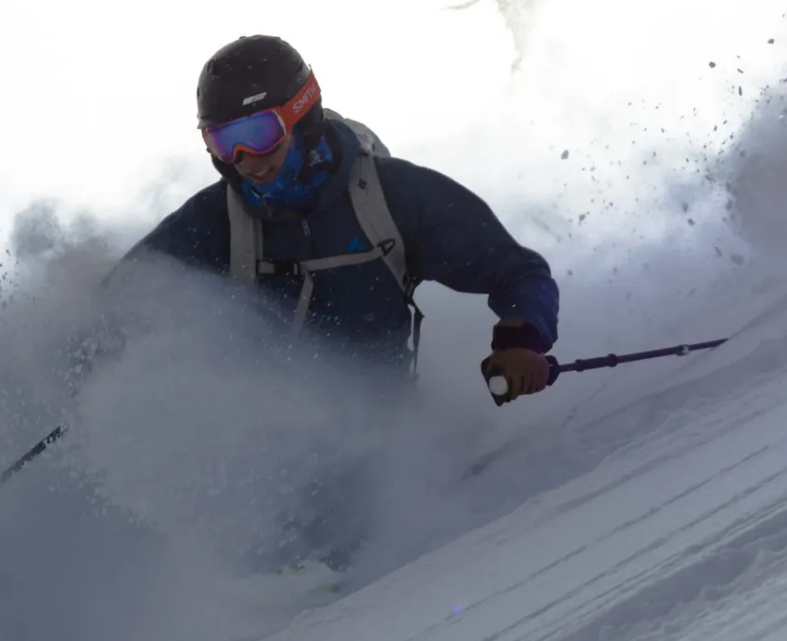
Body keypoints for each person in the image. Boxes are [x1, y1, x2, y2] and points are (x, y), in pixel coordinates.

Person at [121, 34, 561, 404]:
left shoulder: (390, 197)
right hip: (252, 448)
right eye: (222, 142)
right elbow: (121, 303)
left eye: (257, 134)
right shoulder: (216, 222)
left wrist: (519, 340)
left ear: (302, 115)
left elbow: (518, 272)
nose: (243, 160)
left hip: (382, 439)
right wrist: (86, 375)